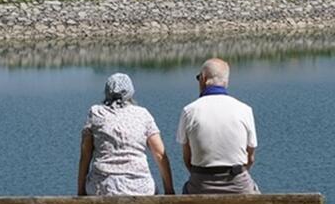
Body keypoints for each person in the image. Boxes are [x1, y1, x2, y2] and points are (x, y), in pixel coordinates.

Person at [78, 73, 175, 196]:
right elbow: (160, 154)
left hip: (102, 188)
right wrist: (169, 189)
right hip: (140, 188)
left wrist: (80, 191)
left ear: (107, 92)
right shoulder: (143, 115)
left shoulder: (95, 113)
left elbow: (85, 155)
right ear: (131, 92)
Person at [176, 58, 259, 194]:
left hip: (201, 185)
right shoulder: (244, 110)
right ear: (226, 82)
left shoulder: (189, 111)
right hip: (238, 184)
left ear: (203, 78)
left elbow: (187, 158)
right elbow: (250, 158)